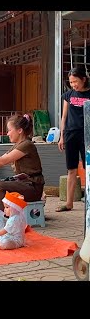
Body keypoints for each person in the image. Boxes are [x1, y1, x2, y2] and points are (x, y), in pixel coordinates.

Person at [57, 67, 90, 212]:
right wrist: (61, 136)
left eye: (75, 81)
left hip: (87, 134)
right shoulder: (68, 95)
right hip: (71, 134)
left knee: (88, 168)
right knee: (71, 169)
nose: (73, 85)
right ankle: (69, 203)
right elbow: (64, 117)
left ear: (83, 79)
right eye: (71, 82)